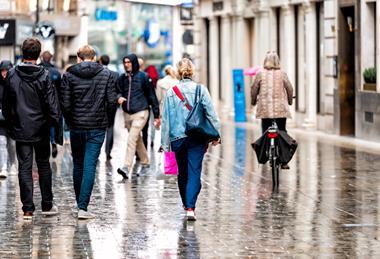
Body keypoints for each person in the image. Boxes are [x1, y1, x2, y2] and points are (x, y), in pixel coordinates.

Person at [2, 38, 60, 219]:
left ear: (23, 52)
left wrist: (13, 123)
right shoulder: (44, 75)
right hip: (41, 128)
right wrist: (52, 124)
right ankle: (47, 205)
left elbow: (6, 105)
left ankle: (27, 208)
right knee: (43, 166)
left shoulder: (12, 74)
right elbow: (52, 105)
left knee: (25, 167)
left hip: (21, 127)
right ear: (38, 54)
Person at [59, 45, 117, 219]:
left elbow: (65, 104)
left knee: (78, 164)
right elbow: (112, 101)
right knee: (90, 164)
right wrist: (107, 119)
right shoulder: (106, 74)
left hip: (76, 126)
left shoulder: (69, 75)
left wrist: (70, 121)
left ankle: (80, 203)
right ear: (94, 57)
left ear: (78, 57)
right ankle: (82, 207)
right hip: (97, 126)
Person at [160, 58, 221, 221]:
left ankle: (186, 203)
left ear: (178, 72)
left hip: (177, 138)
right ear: (192, 71)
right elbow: (211, 114)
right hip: (197, 137)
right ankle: (190, 207)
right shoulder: (201, 90)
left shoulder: (171, 92)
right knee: (194, 171)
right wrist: (217, 134)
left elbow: (165, 120)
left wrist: (164, 144)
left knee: (182, 172)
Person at [116, 54, 160, 179]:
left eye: (129, 62)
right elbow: (117, 91)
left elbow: (152, 96)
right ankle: (146, 163)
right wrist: (118, 97)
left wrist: (156, 116)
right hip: (127, 113)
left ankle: (126, 167)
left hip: (141, 112)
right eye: (125, 62)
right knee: (137, 139)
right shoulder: (122, 78)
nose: (126, 64)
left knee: (131, 139)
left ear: (134, 63)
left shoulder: (144, 77)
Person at [251, 51, 293, 169]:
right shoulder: (282, 74)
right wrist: (290, 101)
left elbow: (254, 89)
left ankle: (264, 153)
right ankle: (284, 161)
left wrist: (253, 102)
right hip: (280, 110)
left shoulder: (260, 74)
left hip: (265, 110)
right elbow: (290, 89)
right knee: (282, 132)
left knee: (265, 131)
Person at [40, 51, 62, 158]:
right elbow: (59, 89)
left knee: (42, 122)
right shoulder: (55, 72)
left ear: (41, 58)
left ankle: (43, 142)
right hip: (53, 101)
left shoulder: (38, 70)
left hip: (40, 102)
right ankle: (53, 141)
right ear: (51, 58)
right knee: (52, 123)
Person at [99, 54, 119, 160]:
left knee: (98, 128)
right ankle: (108, 152)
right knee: (110, 127)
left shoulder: (97, 73)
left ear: (100, 61)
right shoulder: (115, 74)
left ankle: (97, 152)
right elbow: (118, 90)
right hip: (112, 105)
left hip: (99, 105)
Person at [0, 60, 13, 179]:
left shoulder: (15, 83)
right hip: (1, 120)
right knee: (2, 142)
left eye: (6, 71)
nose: (4, 73)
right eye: (2, 71)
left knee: (12, 144)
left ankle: (13, 165)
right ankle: (4, 167)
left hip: (13, 120)